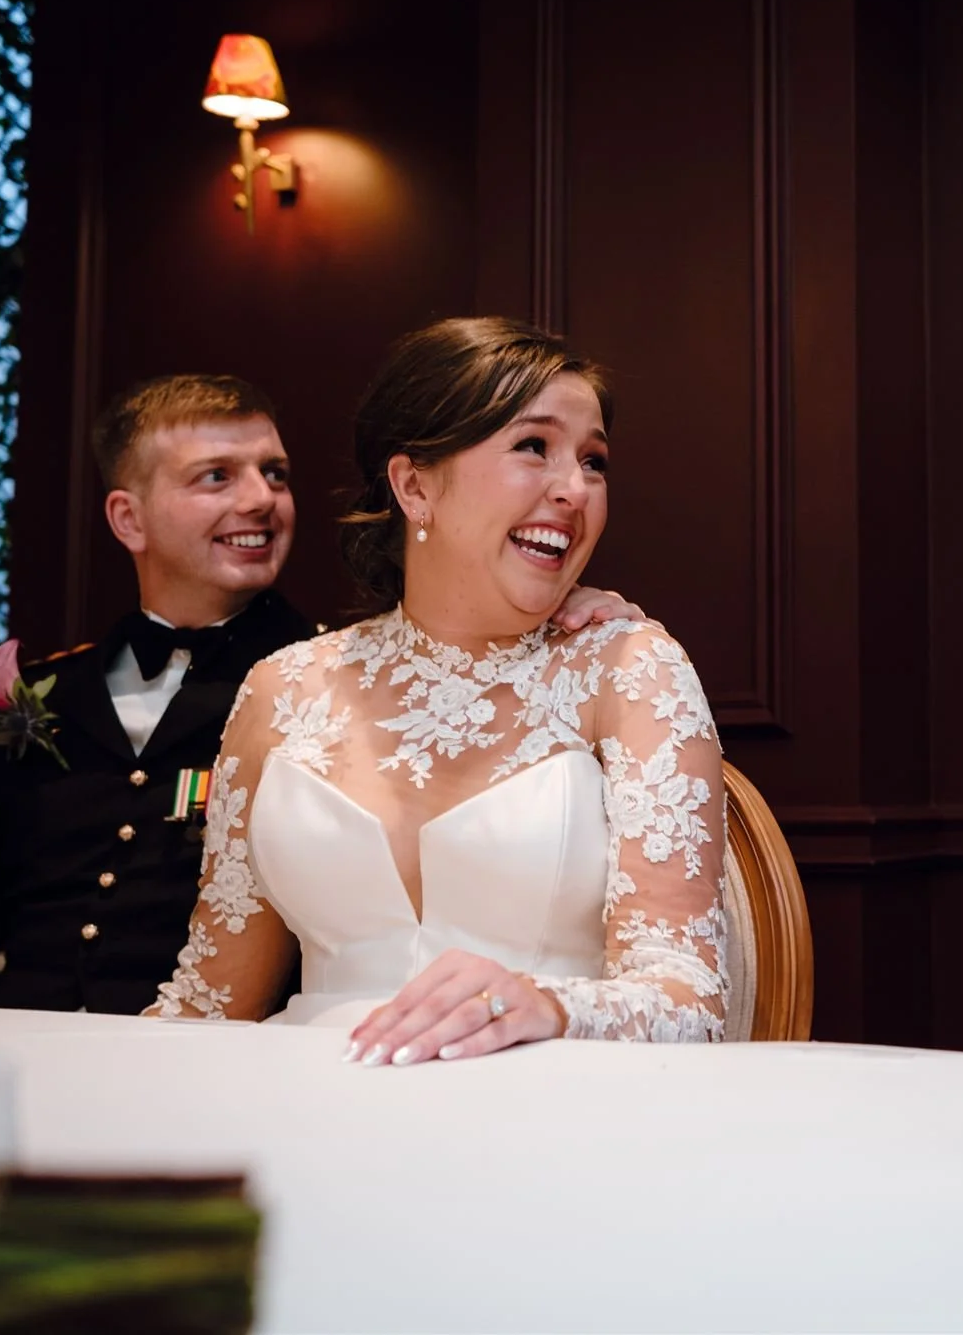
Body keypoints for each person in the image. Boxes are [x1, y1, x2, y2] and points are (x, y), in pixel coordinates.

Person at [0, 375, 637, 1014]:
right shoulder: (43, 692)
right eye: (216, 477)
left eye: (276, 474)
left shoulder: (321, 687)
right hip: (23, 1041)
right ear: (128, 519)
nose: (261, 499)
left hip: (230, 1062)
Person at [147, 318, 727, 1061]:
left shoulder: (629, 669)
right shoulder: (282, 688)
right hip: (304, 1103)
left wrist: (545, 1003)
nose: (574, 489)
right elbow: (208, 1001)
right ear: (415, 485)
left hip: (543, 1110)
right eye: (533, 447)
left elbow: (690, 1000)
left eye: (594, 461)